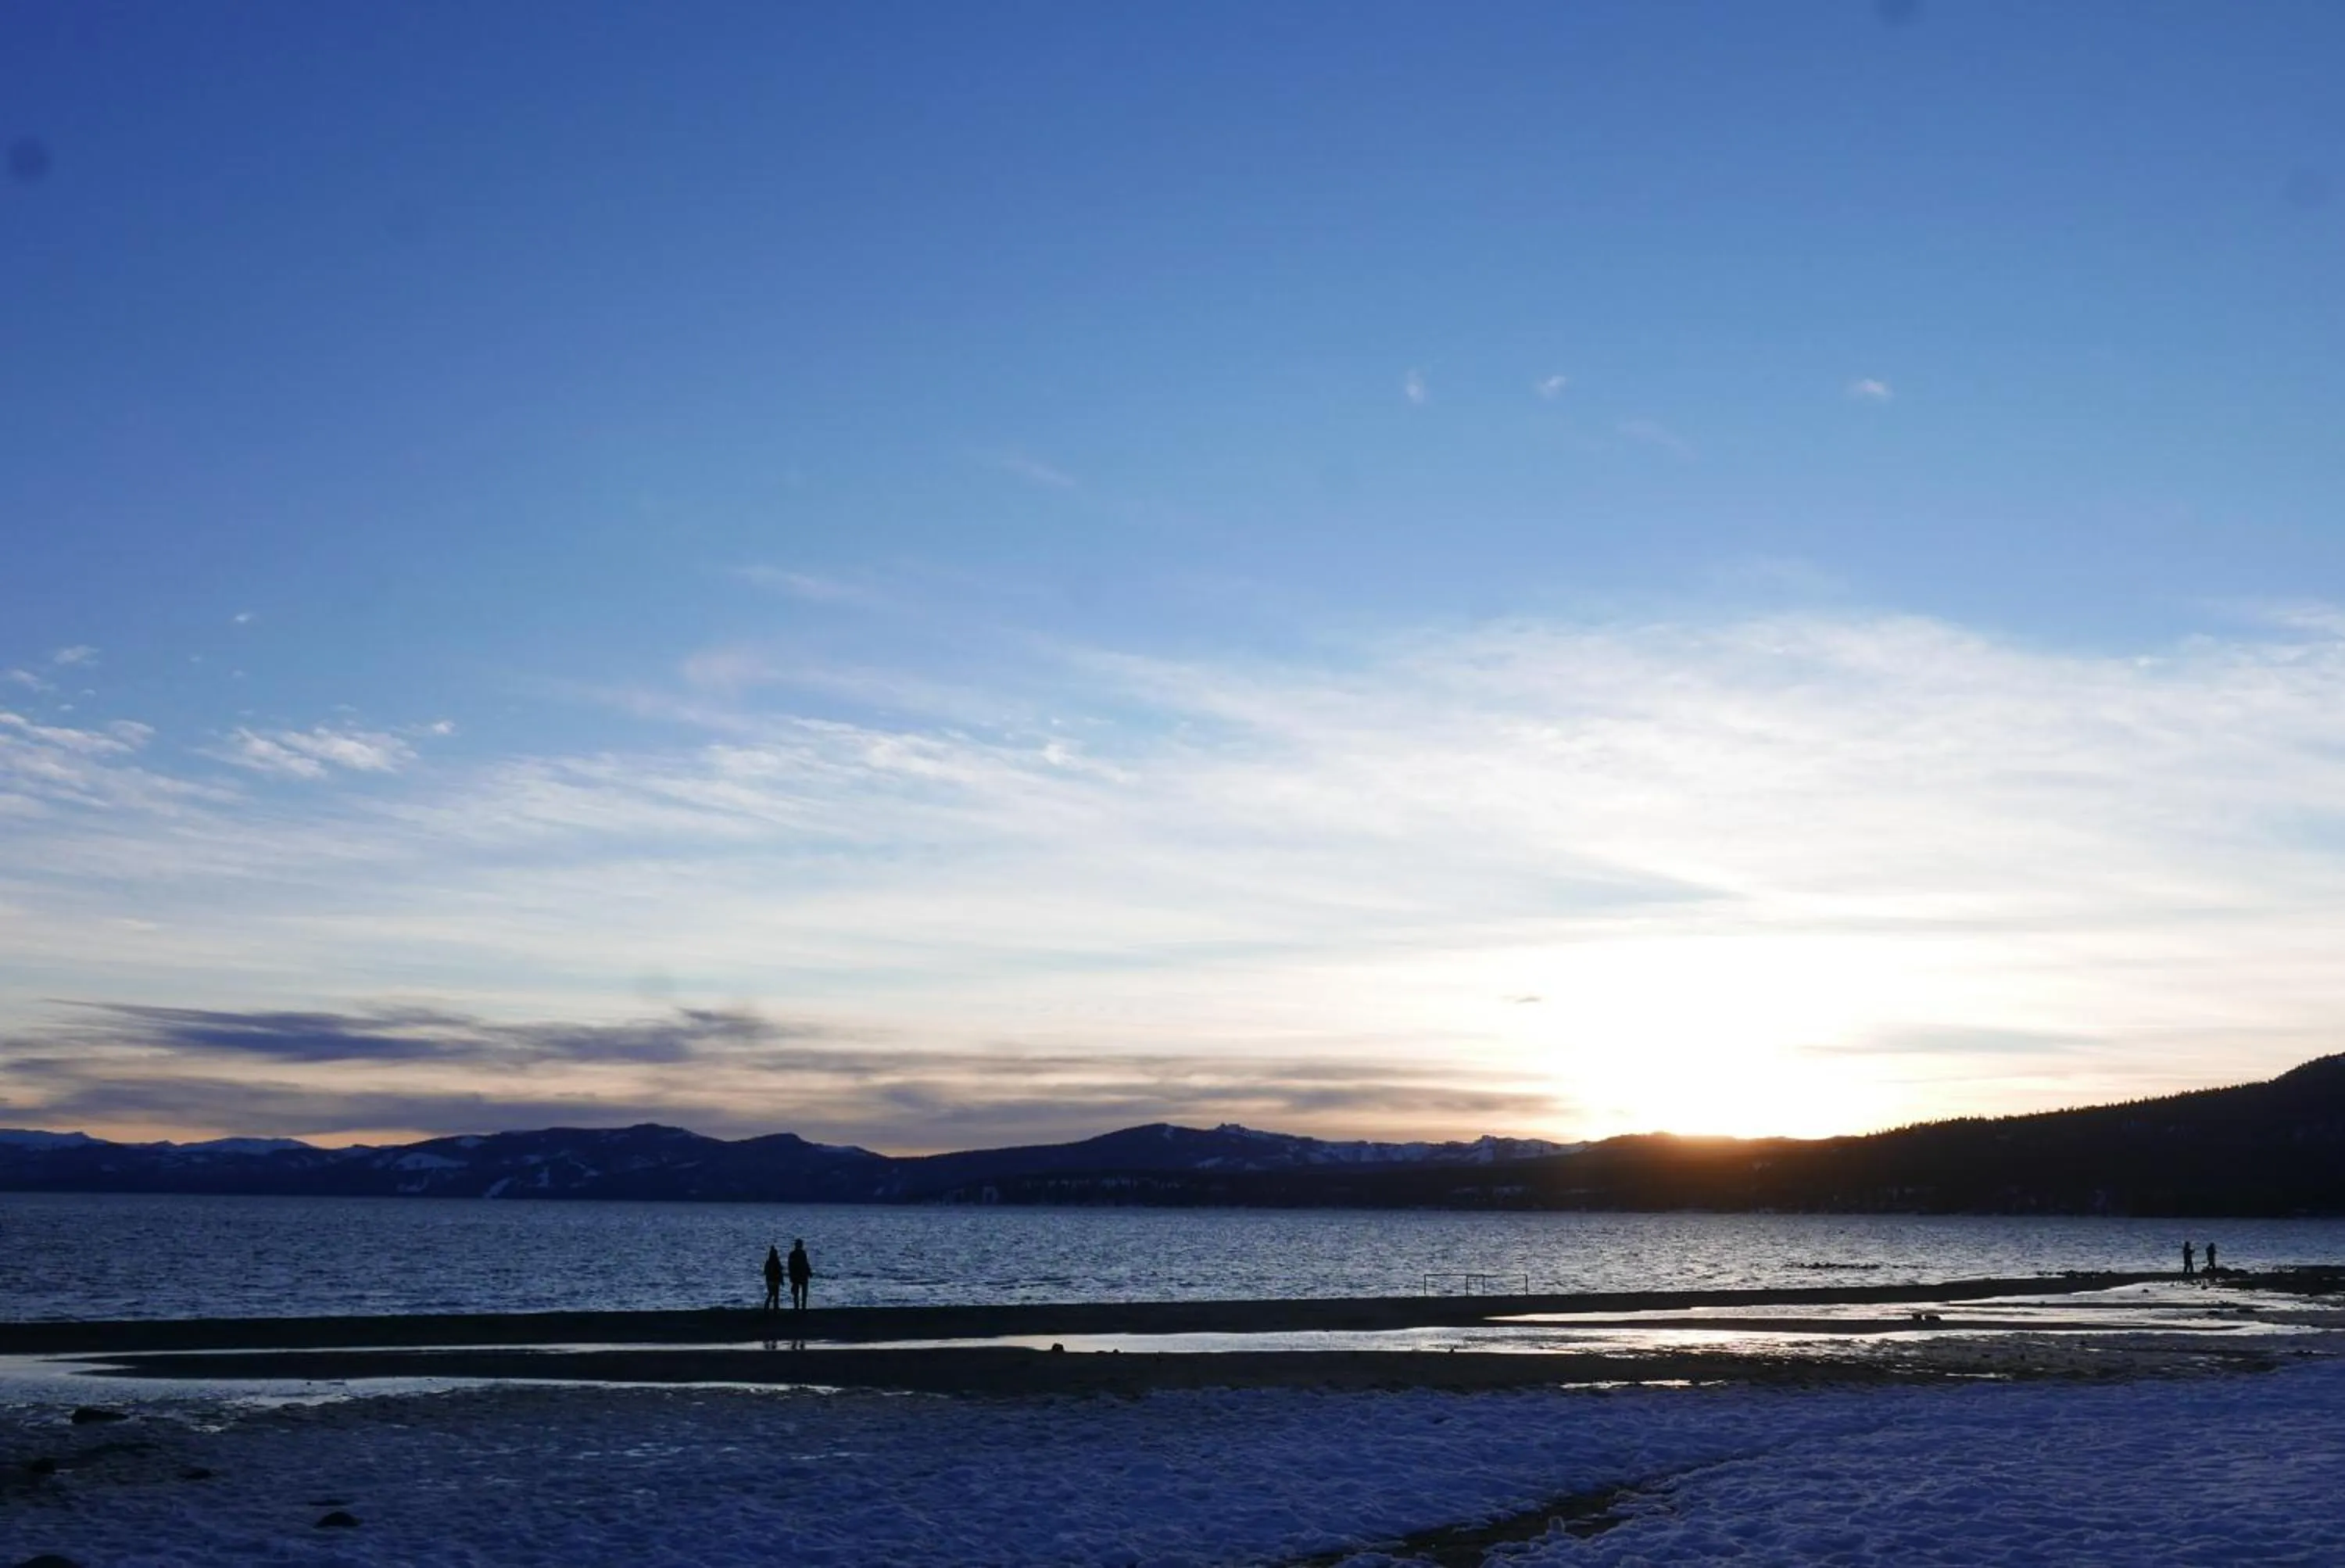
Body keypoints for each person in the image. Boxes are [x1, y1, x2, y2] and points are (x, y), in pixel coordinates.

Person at [787, 1237, 812, 1311]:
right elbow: (791, 1266)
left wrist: (809, 1272)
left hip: (800, 1276)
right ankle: (799, 1307)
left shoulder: (798, 1254)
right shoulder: (795, 1254)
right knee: (798, 1293)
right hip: (799, 1276)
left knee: (800, 1293)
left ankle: (800, 1307)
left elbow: (805, 1264)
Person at [763, 1244, 784, 1312]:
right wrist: (781, 1280)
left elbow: (765, 1272)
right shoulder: (776, 1262)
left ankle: (767, 1307)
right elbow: (780, 1271)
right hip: (775, 1280)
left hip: (769, 1280)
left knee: (771, 1294)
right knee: (776, 1295)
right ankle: (776, 1307)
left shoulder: (768, 1262)